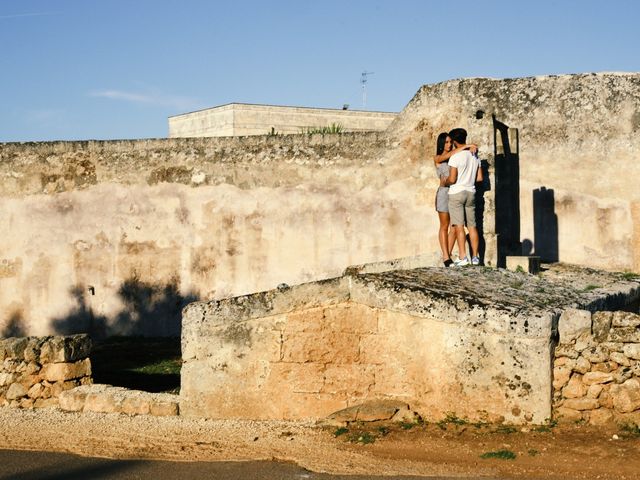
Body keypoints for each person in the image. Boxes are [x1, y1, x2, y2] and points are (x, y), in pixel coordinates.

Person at [433, 132, 477, 267]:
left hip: (455, 192)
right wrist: (468, 145)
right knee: (444, 226)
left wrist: (467, 148)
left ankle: (449, 256)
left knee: (454, 226)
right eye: (446, 142)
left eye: (450, 142)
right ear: (441, 144)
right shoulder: (438, 157)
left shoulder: (456, 155)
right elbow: (447, 156)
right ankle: (446, 257)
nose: (449, 144)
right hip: (444, 193)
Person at [443, 128, 482, 266]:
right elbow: (479, 178)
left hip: (456, 193)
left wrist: (445, 181)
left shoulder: (455, 157)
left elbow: (452, 179)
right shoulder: (475, 156)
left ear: (453, 141)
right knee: (472, 226)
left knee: (459, 226)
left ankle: (463, 256)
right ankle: (476, 257)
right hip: (471, 192)